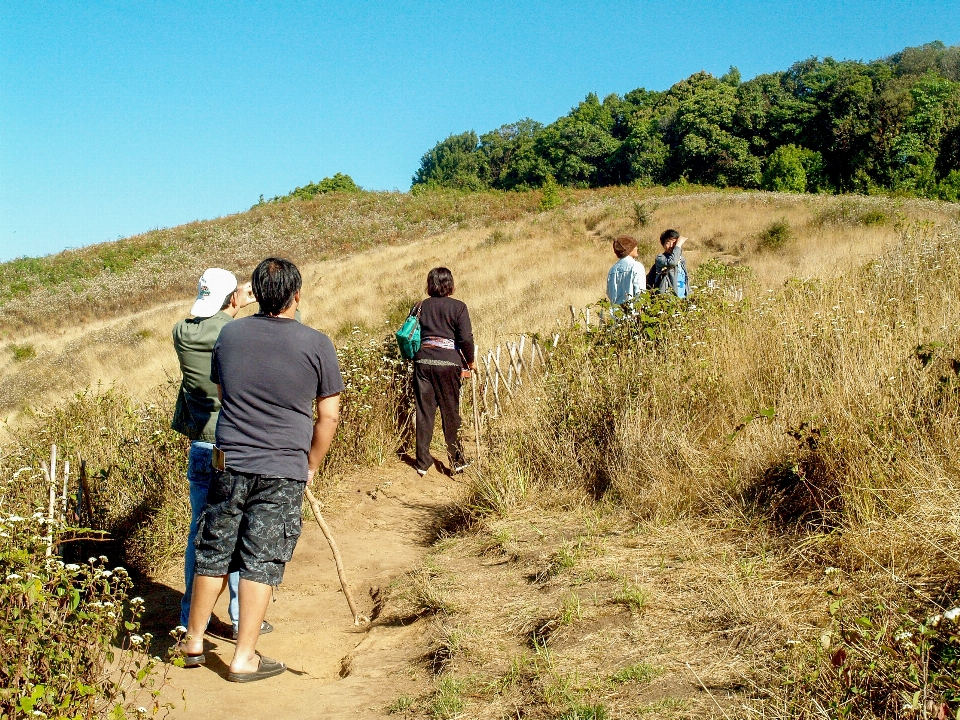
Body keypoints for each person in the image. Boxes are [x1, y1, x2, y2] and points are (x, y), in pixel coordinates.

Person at [181, 257, 343, 682]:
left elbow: (223, 389)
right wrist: (310, 463)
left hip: (228, 459)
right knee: (260, 559)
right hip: (281, 465)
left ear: (254, 293)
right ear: (297, 295)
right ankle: (243, 658)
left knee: (214, 549)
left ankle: (193, 640)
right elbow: (328, 417)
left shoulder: (230, 334)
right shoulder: (317, 343)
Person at [172, 268, 272, 640]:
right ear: (231, 299)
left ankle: (190, 616)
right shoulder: (229, 332)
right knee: (237, 530)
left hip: (200, 444)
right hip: (233, 443)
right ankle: (239, 614)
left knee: (201, 532)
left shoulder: (181, 332)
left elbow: (206, 322)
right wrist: (244, 305)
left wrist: (231, 303)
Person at [411, 267, 475, 477]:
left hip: (423, 362)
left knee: (424, 412)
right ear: (450, 284)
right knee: (450, 413)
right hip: (449, 364)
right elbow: (465, 338)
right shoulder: (458, 307)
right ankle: (456, 461)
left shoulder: (419, 306)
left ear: (430, 284)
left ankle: (422, 462)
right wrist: (471, 361)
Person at [606, 235, 645, 307]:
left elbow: (609, 293)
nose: (637, 248)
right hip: (632, 314)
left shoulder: (612, 270)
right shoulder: (636, 266)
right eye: (634, 246)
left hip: (615, 314)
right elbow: (640, 293)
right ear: (629, 249)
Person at [651, 229, 689, 297]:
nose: (671, 245)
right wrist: (678, 246)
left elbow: (685, 280)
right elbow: (672, 262)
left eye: (674, 243)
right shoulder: (660, 258)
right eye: (668, 242)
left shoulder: (682, 260)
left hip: (682, 299)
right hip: (667, 298)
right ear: (663, 244)